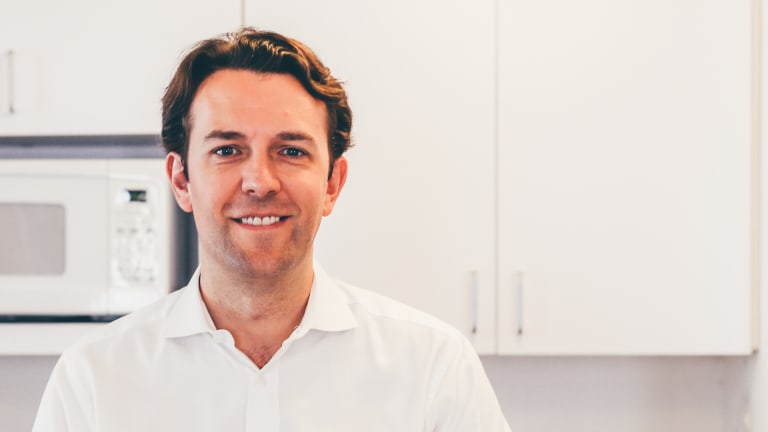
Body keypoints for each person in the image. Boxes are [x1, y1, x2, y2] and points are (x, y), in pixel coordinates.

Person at [33, 27, 511, 431]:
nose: (259, 182)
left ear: (332, 183)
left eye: (291, 151)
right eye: (227, 150)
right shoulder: (93, 381)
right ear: (181, 180)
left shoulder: (434, 369)